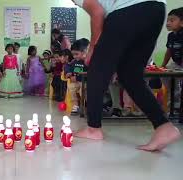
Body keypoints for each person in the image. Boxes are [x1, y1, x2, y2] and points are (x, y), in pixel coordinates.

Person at [72, 0, 181, 152]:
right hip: (156, 9)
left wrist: (92, 48)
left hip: (128, 9)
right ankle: (163, 125)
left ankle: (93, 128)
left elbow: (97, 13)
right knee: (130, 74)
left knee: (97, 69)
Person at [161, 8, 183, 112]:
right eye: (167, 20)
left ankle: (177, 104)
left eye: (172, 20)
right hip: (176, 63)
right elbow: (169, 51)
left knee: (178, 80)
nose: (168, 23)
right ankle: (174, 102)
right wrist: (163, 65)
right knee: (164, 75)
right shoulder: (171, 36)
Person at [65, 39, 89, 115]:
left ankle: (86, 106)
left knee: (83, 91)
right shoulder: (74, 61)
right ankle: (75, 105)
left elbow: (91, 73)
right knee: (71, 87)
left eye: (76, 54)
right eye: (73, 54)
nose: (75, 56)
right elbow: (68, 65)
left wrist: (78, 78)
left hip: (85, 82)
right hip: (75, 82)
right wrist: (68, 72)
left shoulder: (87, 61)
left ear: (84, 52)